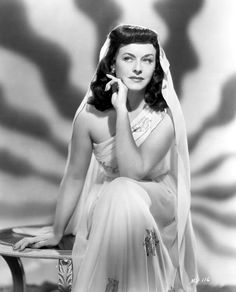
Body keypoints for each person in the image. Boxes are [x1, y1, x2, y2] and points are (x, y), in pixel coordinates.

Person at [14, 24, 198, 291]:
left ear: (155, 67)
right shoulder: (89, 117)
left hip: (157, 200)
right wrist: (57, 229)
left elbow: (133, 174)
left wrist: (121, 111)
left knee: (122, 188)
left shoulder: (163, 118)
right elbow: (75, 176)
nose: (138, 68)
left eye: (147, 60)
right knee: (117, 193)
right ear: (112, 64)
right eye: (128, 58)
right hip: (109, 197)